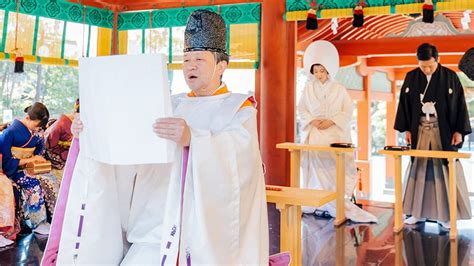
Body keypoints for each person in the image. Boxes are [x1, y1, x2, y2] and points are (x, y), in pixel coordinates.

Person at [153, 10, 268, 264]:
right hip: (164, 220)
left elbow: (242, 167)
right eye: (185, 59)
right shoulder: (170, 105)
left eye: (199, 59)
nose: (190, 66)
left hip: (212, 232)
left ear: (221, 66)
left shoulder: (239, 109)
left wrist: (194, 140)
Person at [298, 41, 378, 223]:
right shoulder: (308, 88)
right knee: (316, 170)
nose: (319, 74)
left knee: (333, 169)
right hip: (315, 134)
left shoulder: (339, 89)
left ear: (329, 70)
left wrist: (332, 120)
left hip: (333, 133)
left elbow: (347, 110)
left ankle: (333, 203)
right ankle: (316, 202)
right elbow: (302, 108)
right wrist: (313, 120)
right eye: (316, 71)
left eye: (322, 71)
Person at [394, 43, 472, 229]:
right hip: (419, 128)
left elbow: (460, 105)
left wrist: (459, 131)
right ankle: (417, 212)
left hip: (442, 130)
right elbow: (404, 105)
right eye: (423, 66)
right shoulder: (412, 77)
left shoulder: (450, 77)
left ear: (438, 60)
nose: (426, 69)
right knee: (419, 168)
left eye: (430, 65)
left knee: (442, 169)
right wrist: (407, 130)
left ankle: (445, 215)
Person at [0, 102, 58, 235]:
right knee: (33, 184)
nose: (38, 129)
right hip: (13, 170)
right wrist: (30, 160)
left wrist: (36, 159)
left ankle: (54, 218)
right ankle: (37, 223)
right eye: (37, 125)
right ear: (27, 118)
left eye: (40, 127)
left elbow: (39, 149)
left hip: (29, 168)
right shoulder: (9, 133)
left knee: (51, 180)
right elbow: (7, 162)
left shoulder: (36, 133)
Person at [43, 99, 79, 180]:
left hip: (73, 154)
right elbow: (49, 146)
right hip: (56, 155)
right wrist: (65, 155)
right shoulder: (61, 123)